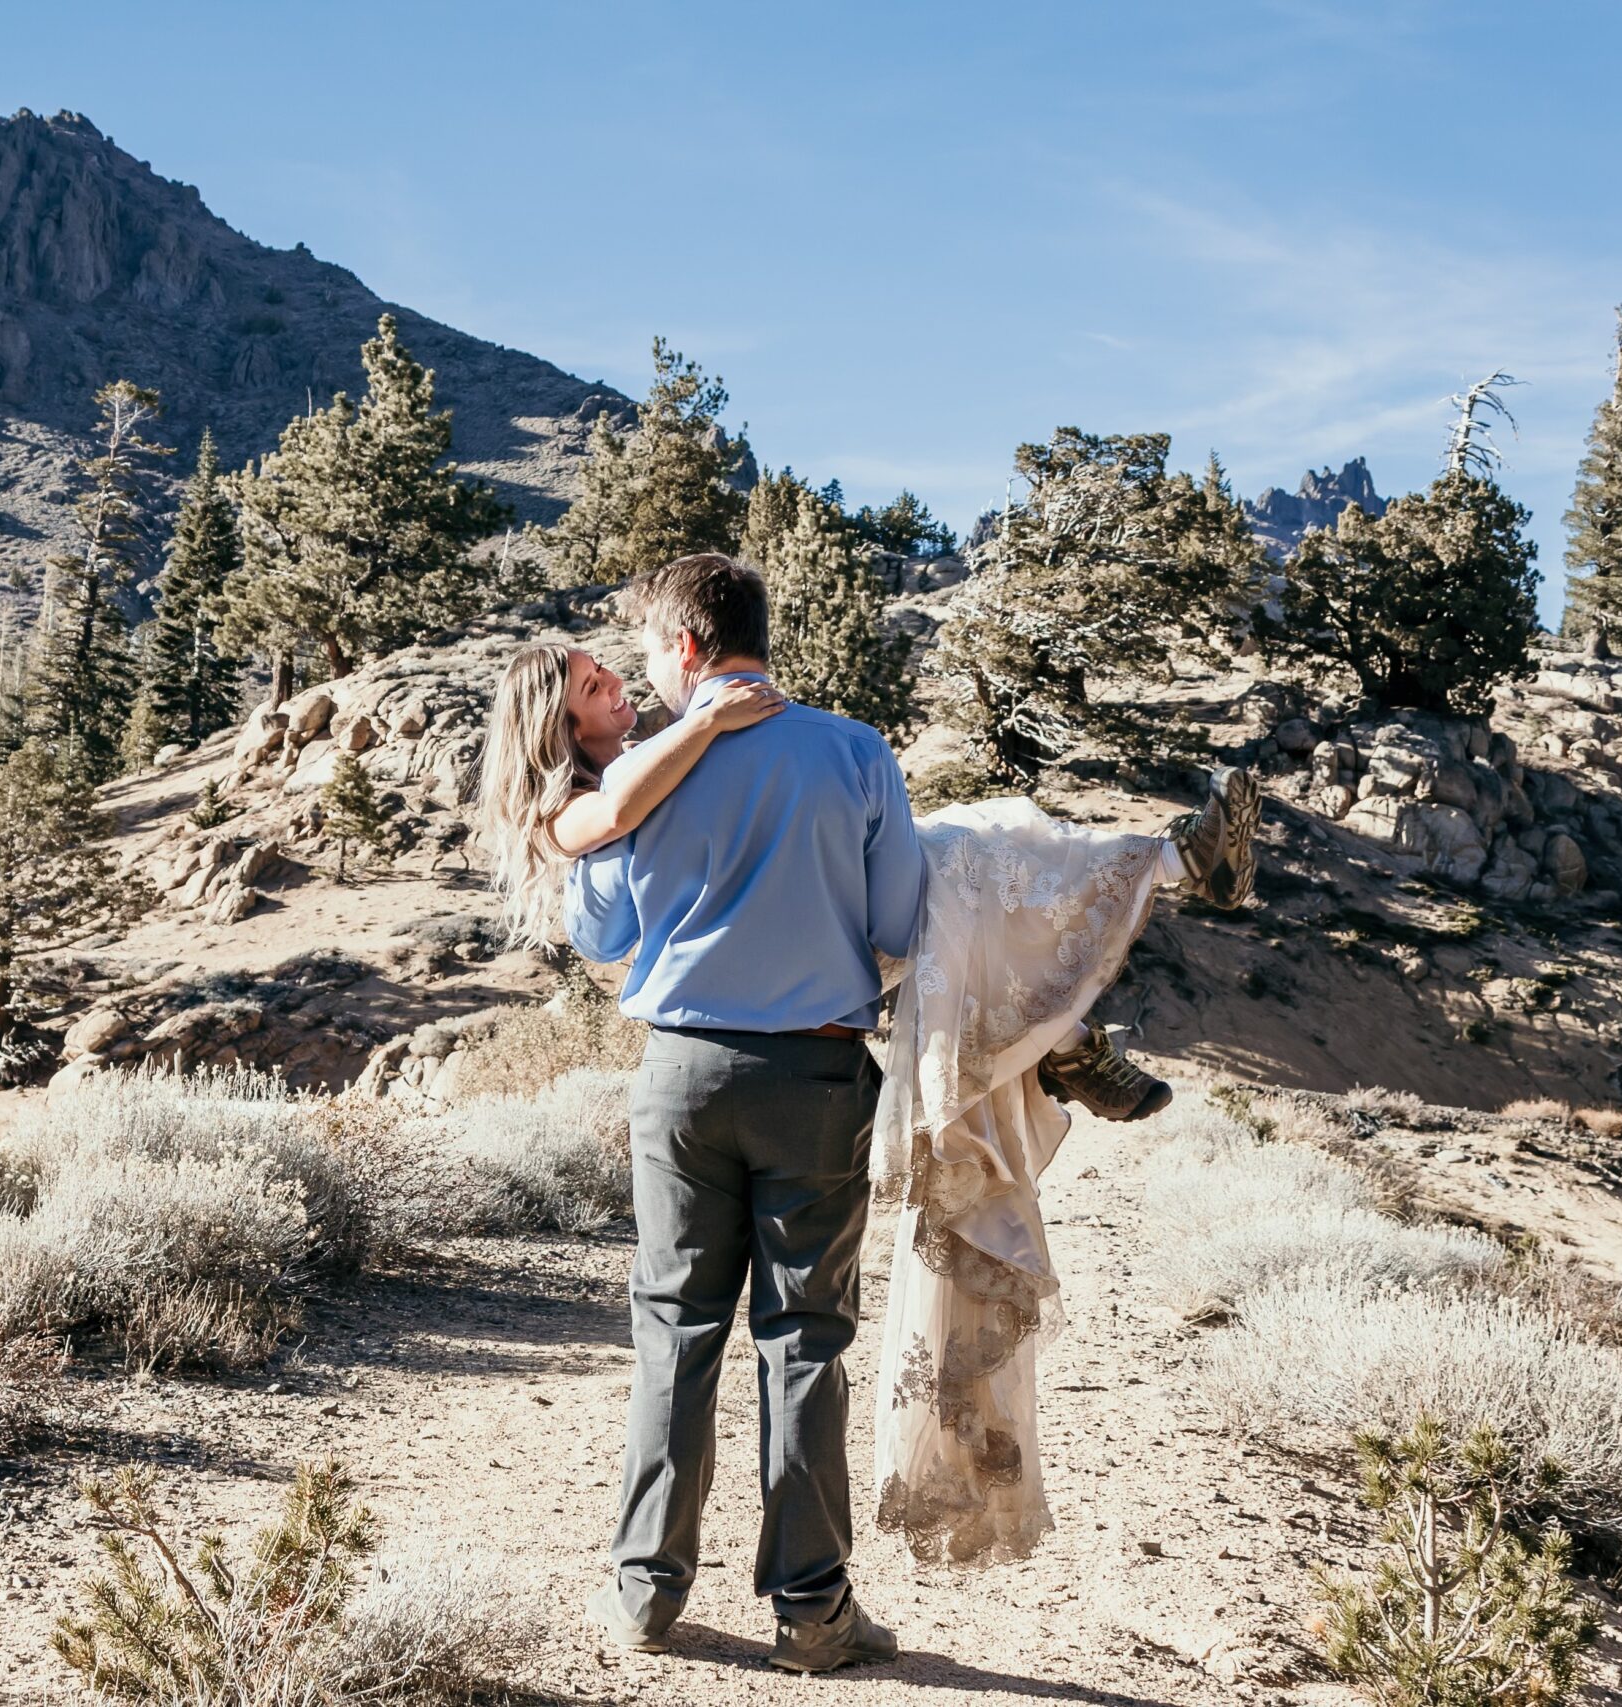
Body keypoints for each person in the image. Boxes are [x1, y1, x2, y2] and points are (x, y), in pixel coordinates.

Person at [474, 553, 1257, 1673]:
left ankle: (645, 1594)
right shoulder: (851, 750)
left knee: (675, 1336)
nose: (644, 675)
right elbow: (900, 917)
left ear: (688, 649)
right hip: (818, 1078)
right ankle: (810, 1612)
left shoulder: (635, 773)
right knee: (803, 1344)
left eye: (647, 652)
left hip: (683, 1078)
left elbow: (599, 939)